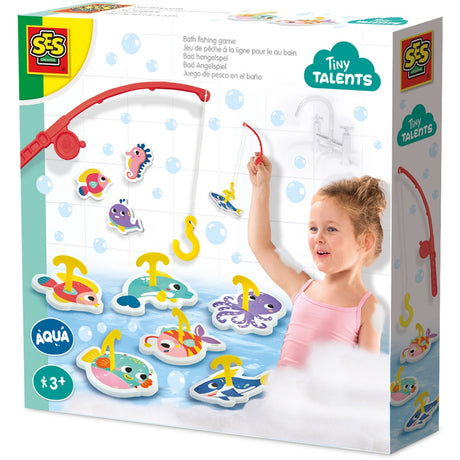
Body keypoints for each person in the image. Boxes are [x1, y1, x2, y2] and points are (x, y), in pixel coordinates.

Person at [247, 153, 386, 368]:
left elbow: (366, 376)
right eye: (313, 228)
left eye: (331, 229)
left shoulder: (367, 307)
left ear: (364, 242)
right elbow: (262, 245)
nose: (318, 237)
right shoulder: (303, 288)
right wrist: (260, 187)